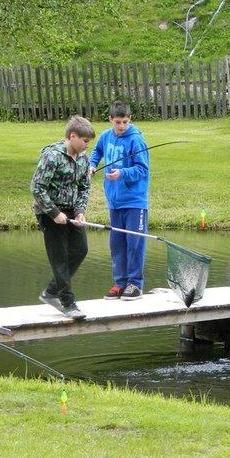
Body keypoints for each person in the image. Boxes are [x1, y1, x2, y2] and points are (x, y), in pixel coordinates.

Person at [30, 116, 94, 319]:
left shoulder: (83, 158)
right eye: (84, 140)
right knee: (59, 257)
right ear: (72, 136)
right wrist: (54, 213)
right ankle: (67, 303)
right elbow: (37, 188)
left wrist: (80, 211)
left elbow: (84, 187)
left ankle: (50, 292)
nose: (86, 145)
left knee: (80, 249)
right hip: (49, 213)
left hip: (71, 213)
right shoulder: (53, 156)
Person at [89, 101, 149, 301]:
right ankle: (120, 283)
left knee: (134, 243)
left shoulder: (136, 141)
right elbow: (97, 151)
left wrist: (122, 173)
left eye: (125, 122)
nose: (121, 126)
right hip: (114, 202)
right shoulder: (106, 136)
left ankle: (135, 284)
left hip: (134, 202)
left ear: (130, 119)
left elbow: (142, 170)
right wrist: (92, 165)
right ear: (110, 120)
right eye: (117, 122)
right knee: (117, 244)